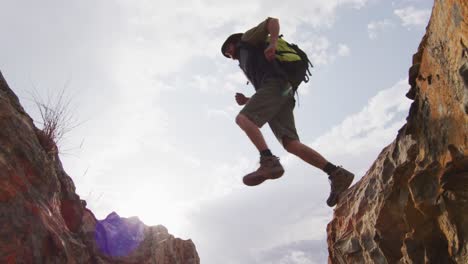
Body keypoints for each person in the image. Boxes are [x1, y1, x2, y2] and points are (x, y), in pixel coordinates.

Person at [221, 17, 354, 207]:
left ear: (233, 43)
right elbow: (266, 95)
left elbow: (271, 21)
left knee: (243, 118)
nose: (229, 55)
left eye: (227, 51)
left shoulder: (247, 39)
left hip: (277, 85)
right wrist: (248, 100)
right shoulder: (249, 59)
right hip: (282, 92)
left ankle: (268, 160)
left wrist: (273, 43)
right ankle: (336, 173)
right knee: (290, 143)